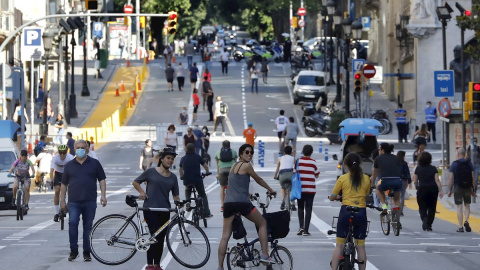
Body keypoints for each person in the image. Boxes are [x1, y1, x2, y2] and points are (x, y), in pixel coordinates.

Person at [217, 144, 277, 270]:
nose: (249, 154)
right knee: (262, 223)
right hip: (242, 203)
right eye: (246, 152)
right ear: (241, 154)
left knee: (225, 236)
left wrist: (248, 194)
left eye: (251, 152)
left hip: (228, 204)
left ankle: (220, 266)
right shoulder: (247, 166)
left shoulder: (234, 166)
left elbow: (234, 185)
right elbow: (259, 180)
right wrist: (270, 189)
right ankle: (265, 255)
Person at [132, 147, 180, 270]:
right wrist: (142, 192)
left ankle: (157, 265)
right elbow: (136, 182)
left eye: (172, 159)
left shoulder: (173, 177)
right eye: (168, 158)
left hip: (165, 210)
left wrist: (179, 203)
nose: (170, 161)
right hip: (150, 209)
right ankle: (149, 265)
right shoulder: (151, 172)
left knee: (161, 238)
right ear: (162, 159)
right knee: (154, 236)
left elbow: (175, 195)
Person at [60, 139, 107, 262]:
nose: (80, 150)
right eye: (78, 148)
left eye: (83, 147)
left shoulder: (95, 163)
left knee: (88, 227)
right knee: (73, 224)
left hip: (90, 201)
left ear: (87, 149)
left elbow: (102, 180)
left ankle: (87, 252)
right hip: (73, 202)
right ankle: (74, 251)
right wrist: (62, 201)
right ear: (74, 149)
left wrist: (103, 195)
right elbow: (63, 184)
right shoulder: (69, 165)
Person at [329, 153, 371, 270]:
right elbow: (367, 193)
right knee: (360, 246)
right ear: (360, 164)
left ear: (346, 166)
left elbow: (333, 196)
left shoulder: (342, 178)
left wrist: (335, 198)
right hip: (361, 212)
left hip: (345, 211)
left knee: (339, 245)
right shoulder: (366, 179)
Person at [370, 143, 403, 221]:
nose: (379, 150)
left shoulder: (378, 158)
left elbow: (374, 174)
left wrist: (372, 184)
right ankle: (396, 213)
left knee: (378, 188)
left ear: (382, 150)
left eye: (380, 149)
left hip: (384, 180)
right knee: (397, 198)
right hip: (397, 180)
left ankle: (384, 206)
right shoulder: (396, 158)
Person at [448, 148, 476, 232]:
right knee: (467, 205)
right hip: (467, 187)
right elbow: (473, 178)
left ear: (457, 154)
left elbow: (450, 178)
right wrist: (473, 190)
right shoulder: (469, 164)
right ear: (465, 154)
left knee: (459, 206)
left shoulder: (454, 164)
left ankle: (460, 227)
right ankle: (466, 221)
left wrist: (449, 190)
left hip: (458, 187)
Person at [179, 143, 212, 218]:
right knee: (203, 195)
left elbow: (180, 169)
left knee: (187, 191)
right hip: (197, 180)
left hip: (187, 180)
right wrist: (207, 172)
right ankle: (207, 212)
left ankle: (188, 203)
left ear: (186, 149)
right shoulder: (197, 157)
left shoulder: (183, 158)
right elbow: (205, 166)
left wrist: (182, 176)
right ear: (194, 149)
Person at [413, 151, 443, 231]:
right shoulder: (433, 168)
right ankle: (429, 225)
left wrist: (416, 186)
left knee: (422, 207)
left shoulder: (418, 168)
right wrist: (441, 190)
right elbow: (437, 179)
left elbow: (415, 180)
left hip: (422, 189)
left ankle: (424, 219)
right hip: (433, 189)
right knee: (432, 208)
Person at [296, 144, 320, 236]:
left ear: (303, 151)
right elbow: (317, 174)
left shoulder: (298, 161)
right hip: (310, 189)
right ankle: (306, 230)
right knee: (308, 208)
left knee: (300, 207)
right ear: (311, 152)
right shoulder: (313, 162)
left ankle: (301, 227)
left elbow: (295, 173)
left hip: (300, 189)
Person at [50, 144, 74, 222]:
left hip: (67, 175)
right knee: (57, 190)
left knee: (69, 190)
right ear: (58, 152)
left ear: (66, 152)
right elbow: (51, 170)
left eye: (64, 153)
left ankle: (67, 205)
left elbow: (75, 169)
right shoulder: (55, 158)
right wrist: (51, 179)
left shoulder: (70, 158)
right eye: (60, 153)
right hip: (58, 174)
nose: (62, 155)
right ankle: (56, 213)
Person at [215, 140, 238, 212]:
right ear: (229, 145)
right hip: (231, 170)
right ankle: (233, 204)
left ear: (222, 145)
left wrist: (218, 173)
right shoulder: (233, 152)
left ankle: (222, 206)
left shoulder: (218, 152)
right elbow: (235, 163)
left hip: (222, 171)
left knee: (222, 187)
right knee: (232, 187)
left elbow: (217, 164)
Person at [273, 145, 296, 211]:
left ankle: (283, 201)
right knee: (292, 189)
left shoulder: (280, 158)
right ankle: (293, 204)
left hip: (282, 176)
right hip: (290, 176)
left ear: (284, 152)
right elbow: (296, 167)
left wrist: (275, 175)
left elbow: (277, 168)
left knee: (283, 187)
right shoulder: (293, 158)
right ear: (291, 152)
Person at [397, 151, 411, 215]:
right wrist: (409, 180)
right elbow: (407, 173)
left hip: (395, 180)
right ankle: (401, 210)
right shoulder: (404, 163)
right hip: (403, 180)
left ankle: (396, 209)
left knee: (395, 196)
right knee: (402, 196)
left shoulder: (394, 162)